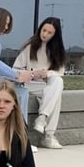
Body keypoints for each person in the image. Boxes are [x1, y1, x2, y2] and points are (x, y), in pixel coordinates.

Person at [13, 17, 67, 149]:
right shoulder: (30, 47)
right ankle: (49, 135)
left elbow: (60, 72)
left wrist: (46, 74)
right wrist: (33, 73)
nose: (45, 34)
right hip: (29, 84)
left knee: (57, 83)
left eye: (49, 32)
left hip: (46, 85)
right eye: (44, 30)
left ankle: (42, 118)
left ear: (55, 35)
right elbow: (15, 70)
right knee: (56, 95)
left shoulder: (58, 51)